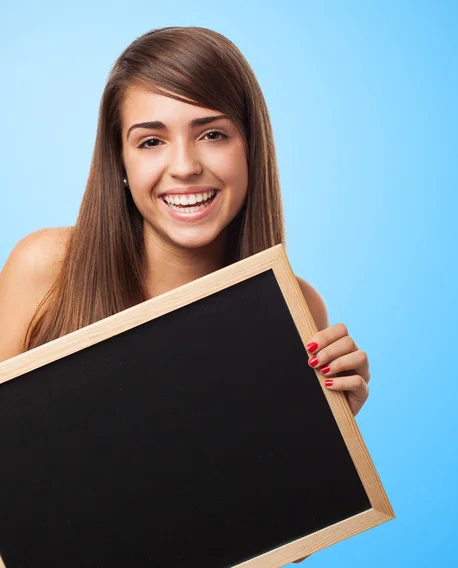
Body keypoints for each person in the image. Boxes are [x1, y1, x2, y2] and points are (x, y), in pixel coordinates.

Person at [0, 25, 370, 458]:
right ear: (120, 161)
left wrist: (328, 428)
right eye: (151, 141)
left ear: (250, 148)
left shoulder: (296, 305)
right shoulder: (46, 266)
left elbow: (243, 499)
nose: (184, 167)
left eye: (212, 134)